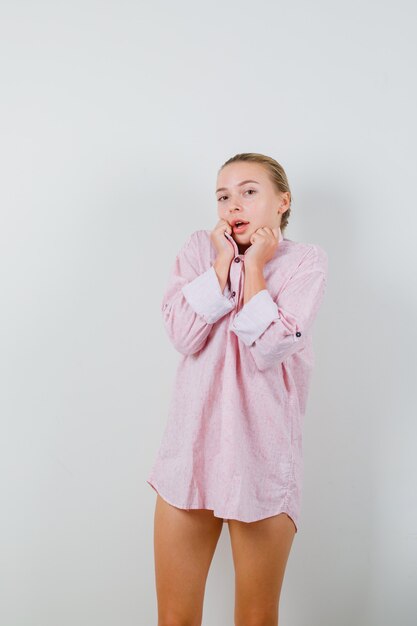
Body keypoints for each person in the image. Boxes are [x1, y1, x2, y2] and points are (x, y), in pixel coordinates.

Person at [146, 152, 328, 625]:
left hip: (262, 460)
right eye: (223, 195)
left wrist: (253, 269)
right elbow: (183, 335)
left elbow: (269, 348)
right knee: (175, 619)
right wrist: (223, 262)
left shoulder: (305, 262)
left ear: (283, 201)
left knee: (254, 618)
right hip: (189, 456)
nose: (233, 205)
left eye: (249, 191)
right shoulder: (198, 251)